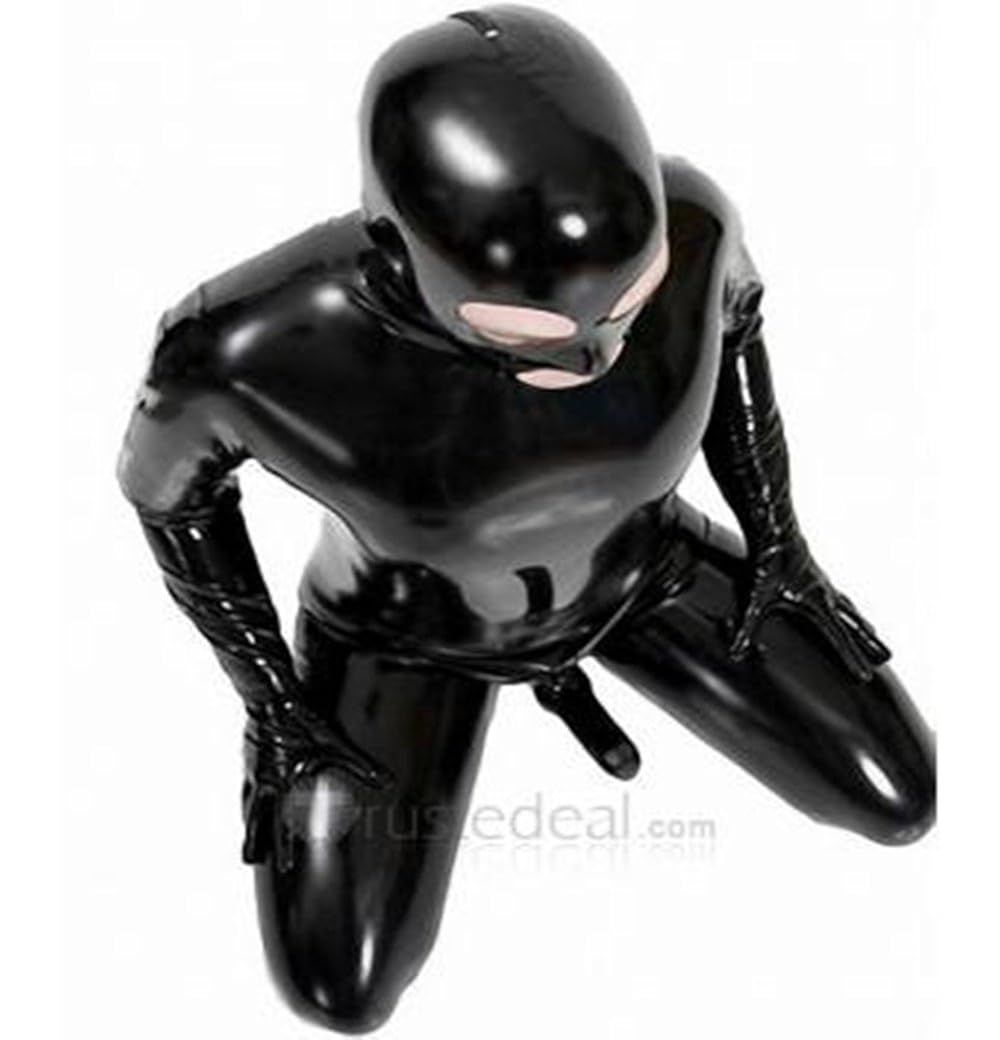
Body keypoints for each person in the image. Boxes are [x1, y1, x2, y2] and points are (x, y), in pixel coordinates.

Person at [116, 6, 936, 1032]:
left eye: (631, 301)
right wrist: (274, 700)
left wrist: (781, 541)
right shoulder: (247, 349)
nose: (595, 354)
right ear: (400, 251)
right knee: (339, 984)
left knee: (898, 792)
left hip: (639, 567)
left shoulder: (697, 226)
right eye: (532, 325)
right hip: (402, 633)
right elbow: (171, 498)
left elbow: (736, 336)